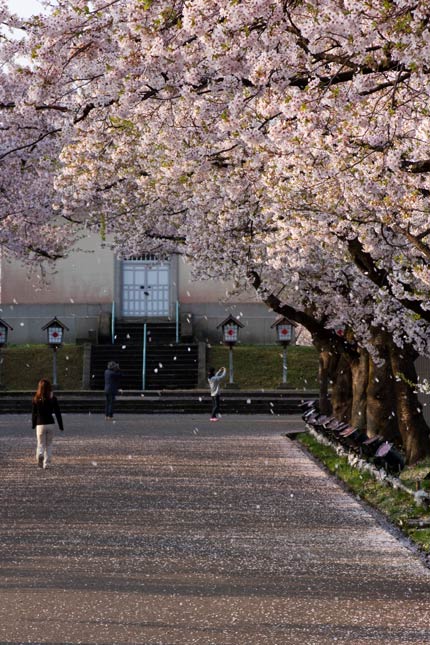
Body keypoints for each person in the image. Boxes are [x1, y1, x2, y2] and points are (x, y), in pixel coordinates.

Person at [32, 378, 64, 469]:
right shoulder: (52, 398)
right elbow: (58, 412)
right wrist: (61, 425)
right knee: (49, 444)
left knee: (40, 443)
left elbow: (34, 413)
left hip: (40, 424)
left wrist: (33, 424)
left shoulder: (36, 398)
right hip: (50, 423)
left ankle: (40, 454)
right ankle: (47, 463)